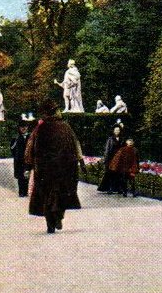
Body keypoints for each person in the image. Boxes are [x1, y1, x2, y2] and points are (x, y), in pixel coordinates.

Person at [24, 100, 85, 233]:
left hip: (45, 169)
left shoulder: (40, 128)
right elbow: (75, 144)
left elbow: (31, 147)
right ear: (54, 112)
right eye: (57, 109)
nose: (59, 111)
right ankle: (58, 216)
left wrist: (29, 165)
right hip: (63, 168)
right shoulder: (65, 127)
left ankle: (50, 223)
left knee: (47, 196)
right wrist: (79, 161)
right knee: (61, 194)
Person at [97, 125, 124, 193]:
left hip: (119, 159)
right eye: (116, 130)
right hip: (111, 158)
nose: (117, 131)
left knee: (118, 174)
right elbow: (107, 150)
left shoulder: (122, 139)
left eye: (118, 130)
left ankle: (118, 189)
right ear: (113, 131)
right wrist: (106, 159)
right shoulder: (110, 139)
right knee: (110, 173)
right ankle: (110, 188)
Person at [10, 122, 30, 197]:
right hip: (19, 160)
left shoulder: (30, 137)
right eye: (22, 127)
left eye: (25, 127)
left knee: (27, 175)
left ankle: (27, 191)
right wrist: (16, 156)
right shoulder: (16, 137)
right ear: (19, 128)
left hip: (28, 159)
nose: (23, 128)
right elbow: (12, 148)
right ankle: (21, 192)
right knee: (20, 177)